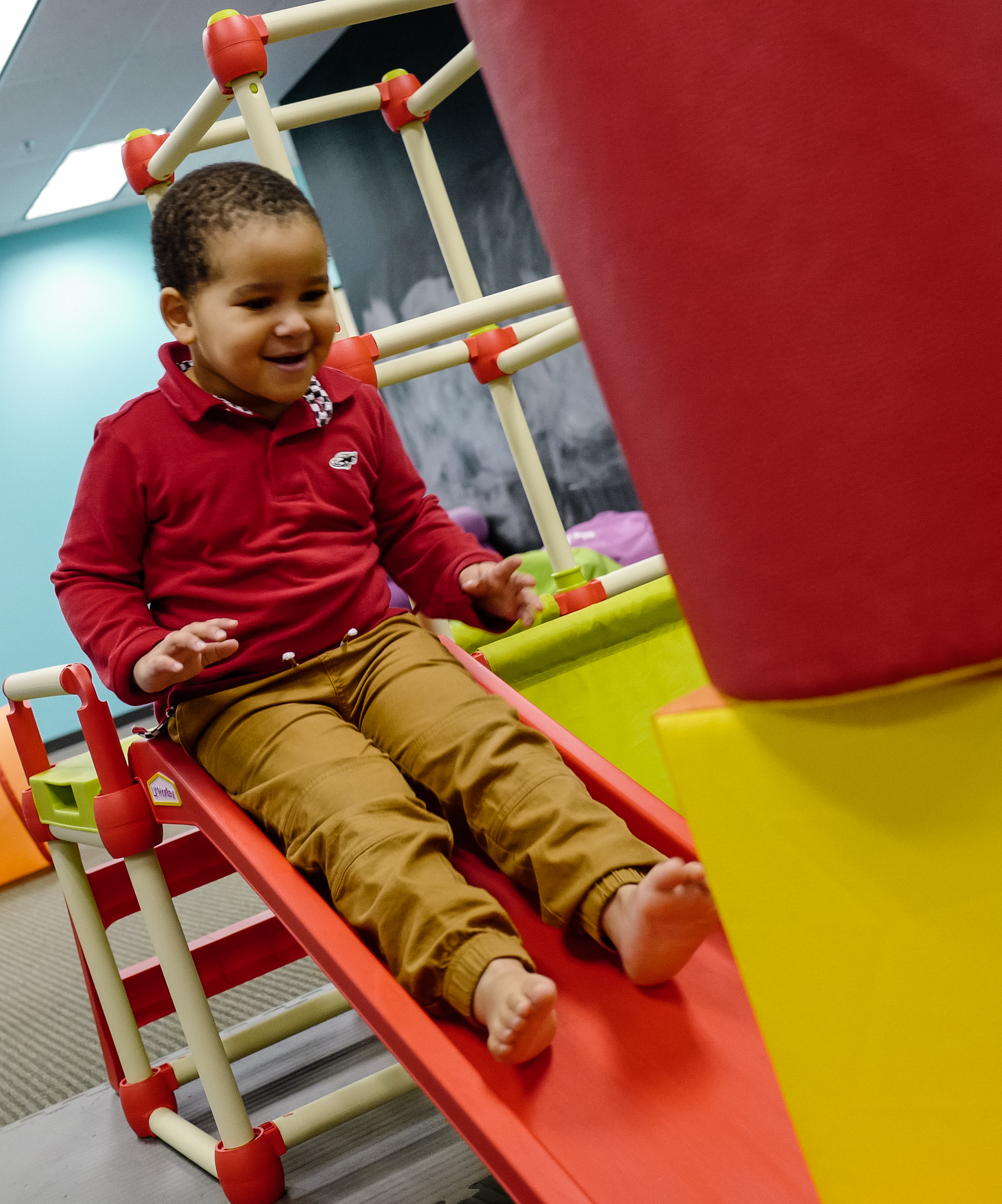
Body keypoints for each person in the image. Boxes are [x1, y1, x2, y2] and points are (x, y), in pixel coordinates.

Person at [52, 164, 719, 1064]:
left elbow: (410, 525)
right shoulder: (136, 442)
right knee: (359, 816)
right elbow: (88, 578)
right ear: (183, 316)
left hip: (377, 644)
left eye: (314, 292)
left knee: (490, 749)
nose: (297, 321)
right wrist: (145, 655)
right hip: (245, 697)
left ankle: (617, 896)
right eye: (257, 302)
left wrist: (470, 579)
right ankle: (481, 973)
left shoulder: (351, 407)